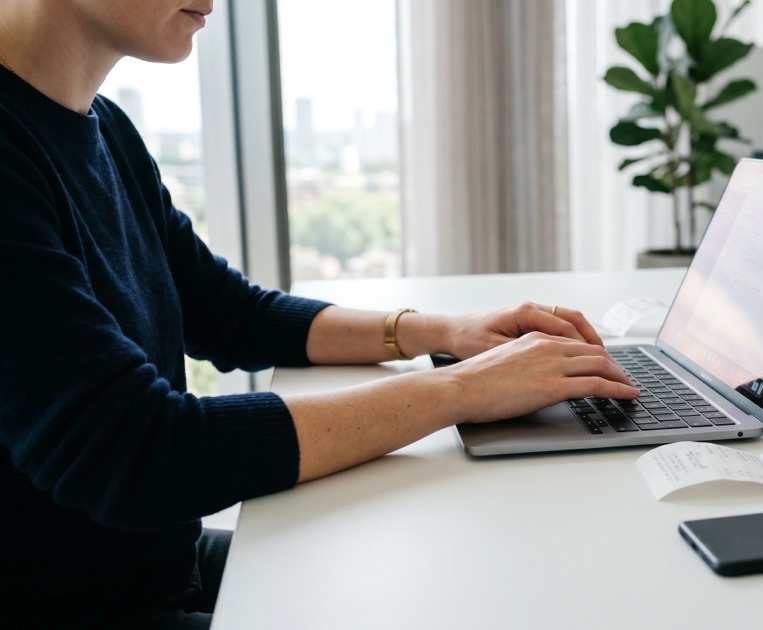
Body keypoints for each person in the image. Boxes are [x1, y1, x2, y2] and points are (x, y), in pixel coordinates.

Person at [0, 2, 638, 627]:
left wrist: (442, 332)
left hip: (150, 567)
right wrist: (462, 390)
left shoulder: (104, 128)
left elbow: (229, 314)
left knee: (455, 580)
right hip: (74, 605)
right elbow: (138, 454)